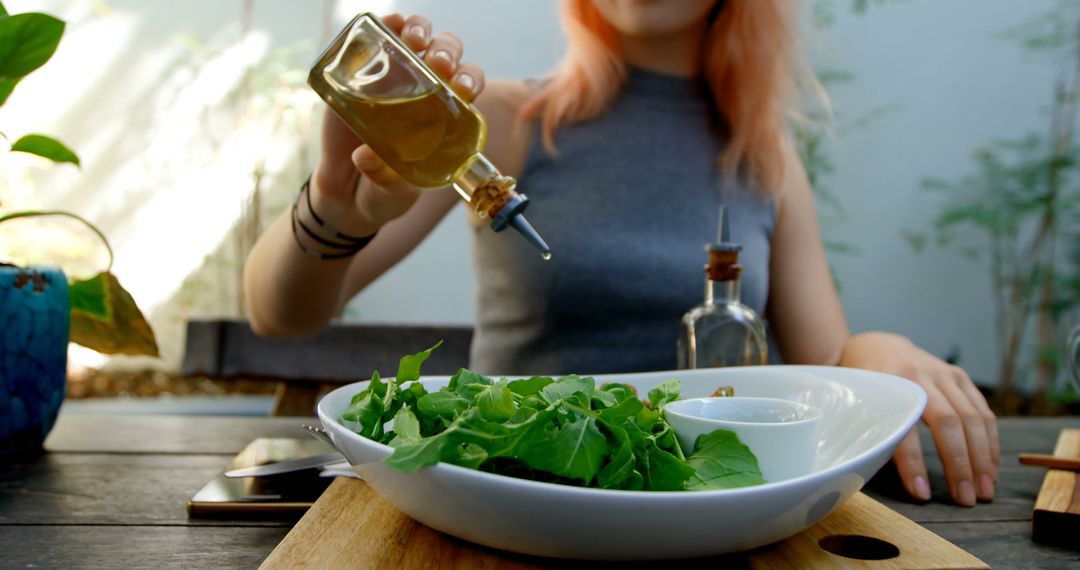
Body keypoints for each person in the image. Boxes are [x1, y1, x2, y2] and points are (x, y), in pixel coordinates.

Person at [243, 0, 999, 507]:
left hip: (700, 514)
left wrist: (876, 351)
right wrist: (334, 211)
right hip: (515, 508)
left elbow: (823, 367)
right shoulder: (502, 121)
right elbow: (279, 314)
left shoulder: (765, 157)